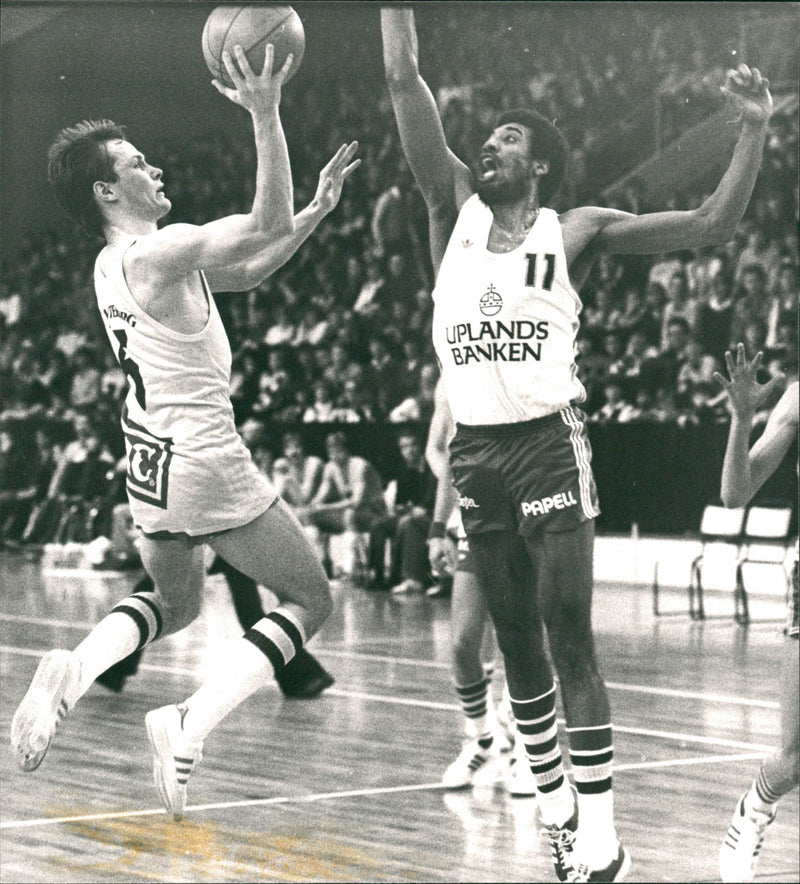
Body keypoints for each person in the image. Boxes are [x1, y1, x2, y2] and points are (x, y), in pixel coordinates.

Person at [382, 9, 772, 880]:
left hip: (550, 444)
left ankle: (598, 839)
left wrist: (751, 131)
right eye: (485, 139)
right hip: (477, 452)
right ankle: (561, 816)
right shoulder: (455, 212)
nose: (490, 147)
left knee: (568, 635)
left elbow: (710, 224)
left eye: (508, 140)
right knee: (513, 643)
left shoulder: (577, 227)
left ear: (541, 165)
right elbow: (404, 81)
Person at [10, 43, 360, 822]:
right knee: (310, 600)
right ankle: (188, 722)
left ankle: (75, 668)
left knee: (177, 605)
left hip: (147, 461)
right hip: (201, 456)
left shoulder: (119, 266)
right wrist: (266, 113)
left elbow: (252, 264)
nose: (154, 168)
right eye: (138, 163)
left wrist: (313, 217)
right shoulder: (159, 250)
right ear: (108, 189)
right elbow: (259, 220)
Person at [426, 379, 536, 798]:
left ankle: (531, 751)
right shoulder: (455, 377)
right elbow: (451, 459)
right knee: (462, 644)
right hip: (478, 518)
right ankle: (484, 741)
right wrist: (439, 528)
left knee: (522, 641)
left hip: (529, 513)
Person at [714, 344, 798, 884]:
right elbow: (733, 493)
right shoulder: (796, 402)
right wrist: (743, 420)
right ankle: (754, 810)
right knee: (796, 756)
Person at [300, 431, 388, 579]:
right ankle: (320, 567)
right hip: (350, 515)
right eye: (331, 450)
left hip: (375, 512)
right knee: (309, 516)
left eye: (338, 449)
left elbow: (357, 501)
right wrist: (310, 508)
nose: (334, 454)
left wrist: (326, 508)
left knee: (349, 515)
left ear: (346, 450)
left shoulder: (360, 465)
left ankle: (350, 569)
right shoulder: (330, 467)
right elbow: (321, 495)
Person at [366, 427, 437, 594]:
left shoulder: (432, 467)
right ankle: (377, 575)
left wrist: (417, 509)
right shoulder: (404, 471)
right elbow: (400, 503)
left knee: (406, 523)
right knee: (379, 524)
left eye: (412, 445)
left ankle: (407, 578)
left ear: (420, 446)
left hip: (431, 514)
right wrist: (403, 509)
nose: (409, 450)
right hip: (412, 512)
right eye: (404, 447)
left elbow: (433, 501)